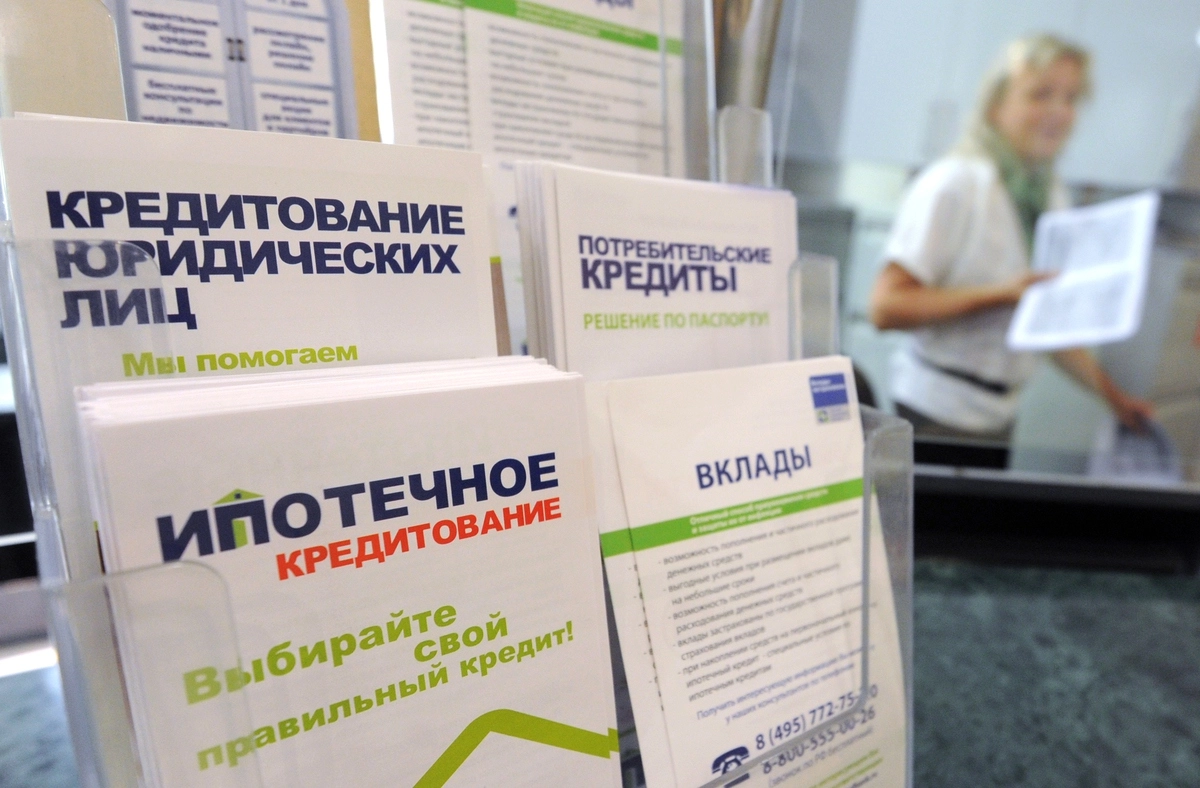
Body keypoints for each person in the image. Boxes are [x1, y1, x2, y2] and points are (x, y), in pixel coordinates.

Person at [869, 33, 1154, 441]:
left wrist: (1116, 399)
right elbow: (885, 307)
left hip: (1001, 416)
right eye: (1040, 94)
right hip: (934, 410)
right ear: (996, 104)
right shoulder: (955, 183)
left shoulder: (1050, 194)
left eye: (1071, 98)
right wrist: (1001, 295)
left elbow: (1048, 323)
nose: (1059, 112)